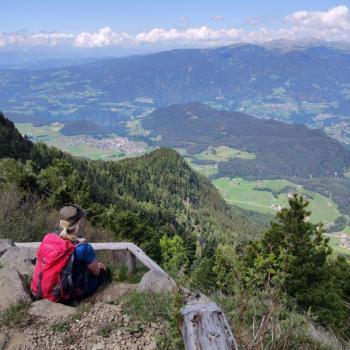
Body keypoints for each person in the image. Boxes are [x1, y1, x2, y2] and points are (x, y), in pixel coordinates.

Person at [58, 204, 111, 300]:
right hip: (75, 289)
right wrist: (97, 266)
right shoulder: (84, 247)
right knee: (105, 272)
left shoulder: (53, 239)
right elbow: (96, 273)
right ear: (78, 222)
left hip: (57, 284)